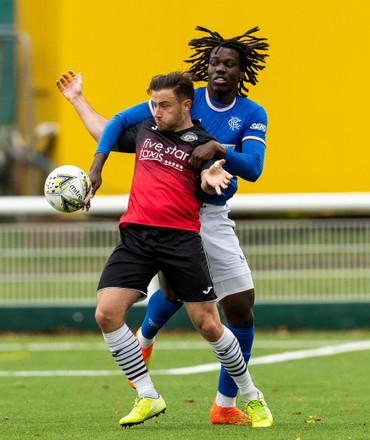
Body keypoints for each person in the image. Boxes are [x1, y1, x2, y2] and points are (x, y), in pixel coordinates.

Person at [56, 26, 273, 428]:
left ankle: (230, 401)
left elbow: (252, 168)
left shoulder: (245, 115)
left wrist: (218, 158)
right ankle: (146, 362)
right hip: (149, 224)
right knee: (128, 307)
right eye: (214, 63)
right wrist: (83, 117)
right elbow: (116, 123)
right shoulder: (160, 114)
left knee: (229, 310)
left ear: (241, 71)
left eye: (229, 64)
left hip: (200, 218)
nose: (220, 69)